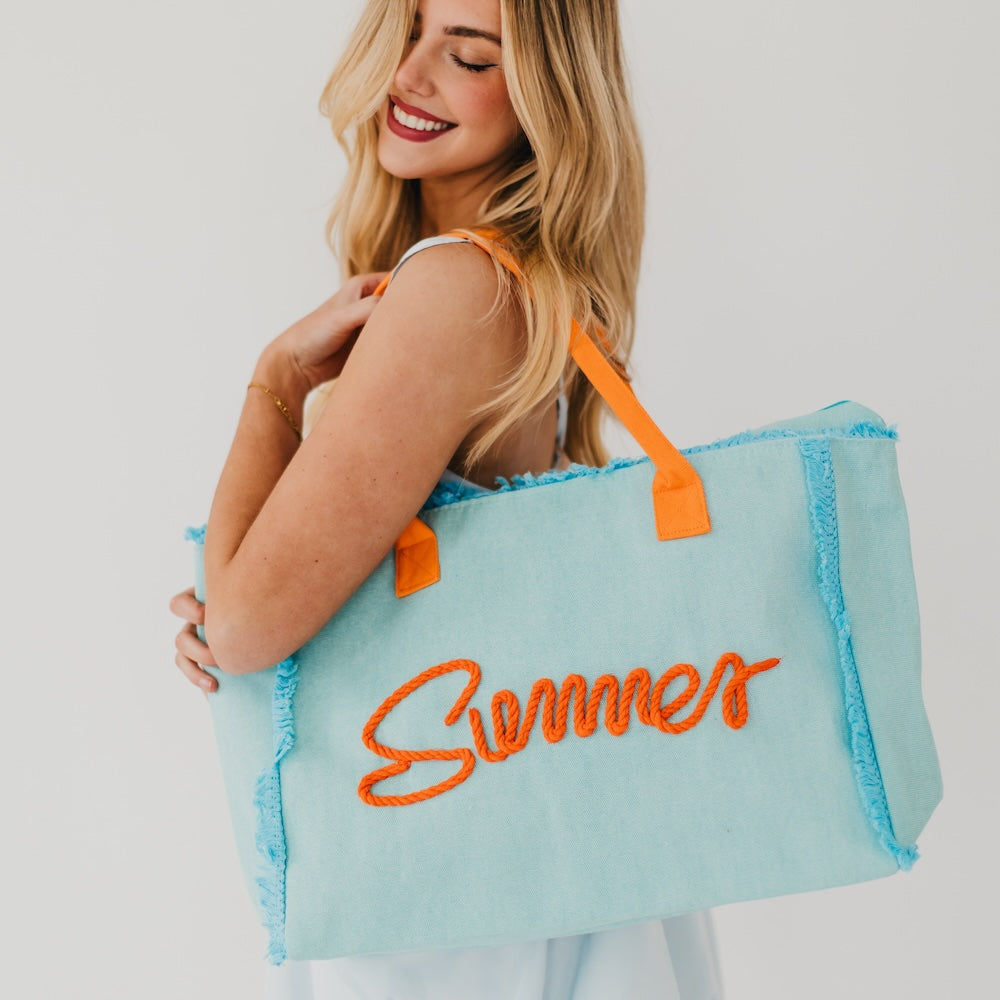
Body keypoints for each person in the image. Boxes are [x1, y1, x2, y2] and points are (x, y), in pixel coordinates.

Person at [171, 1, 724, 996]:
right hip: (535, 856)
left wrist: (274, 384)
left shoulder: (454, 287)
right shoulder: (525, 286)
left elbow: (245, 629)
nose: (409, 74)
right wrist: (239, 588)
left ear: (549, 100)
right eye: (409, 31)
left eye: (467, 55)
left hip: (448, 889)